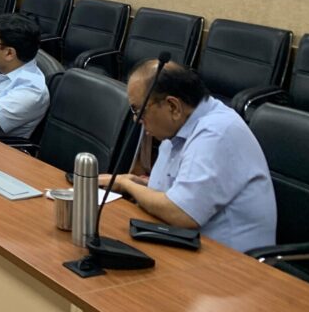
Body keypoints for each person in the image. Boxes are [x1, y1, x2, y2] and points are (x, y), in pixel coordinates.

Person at [99, 60, 276, 253]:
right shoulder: (178, 127)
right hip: (184, 242)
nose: (136, 119)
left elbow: (181, 213)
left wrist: (127, 185)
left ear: (173, 107)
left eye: (139, 110)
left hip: (231, 261)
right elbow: (173, 191)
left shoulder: (217, 133)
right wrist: (138, 183)